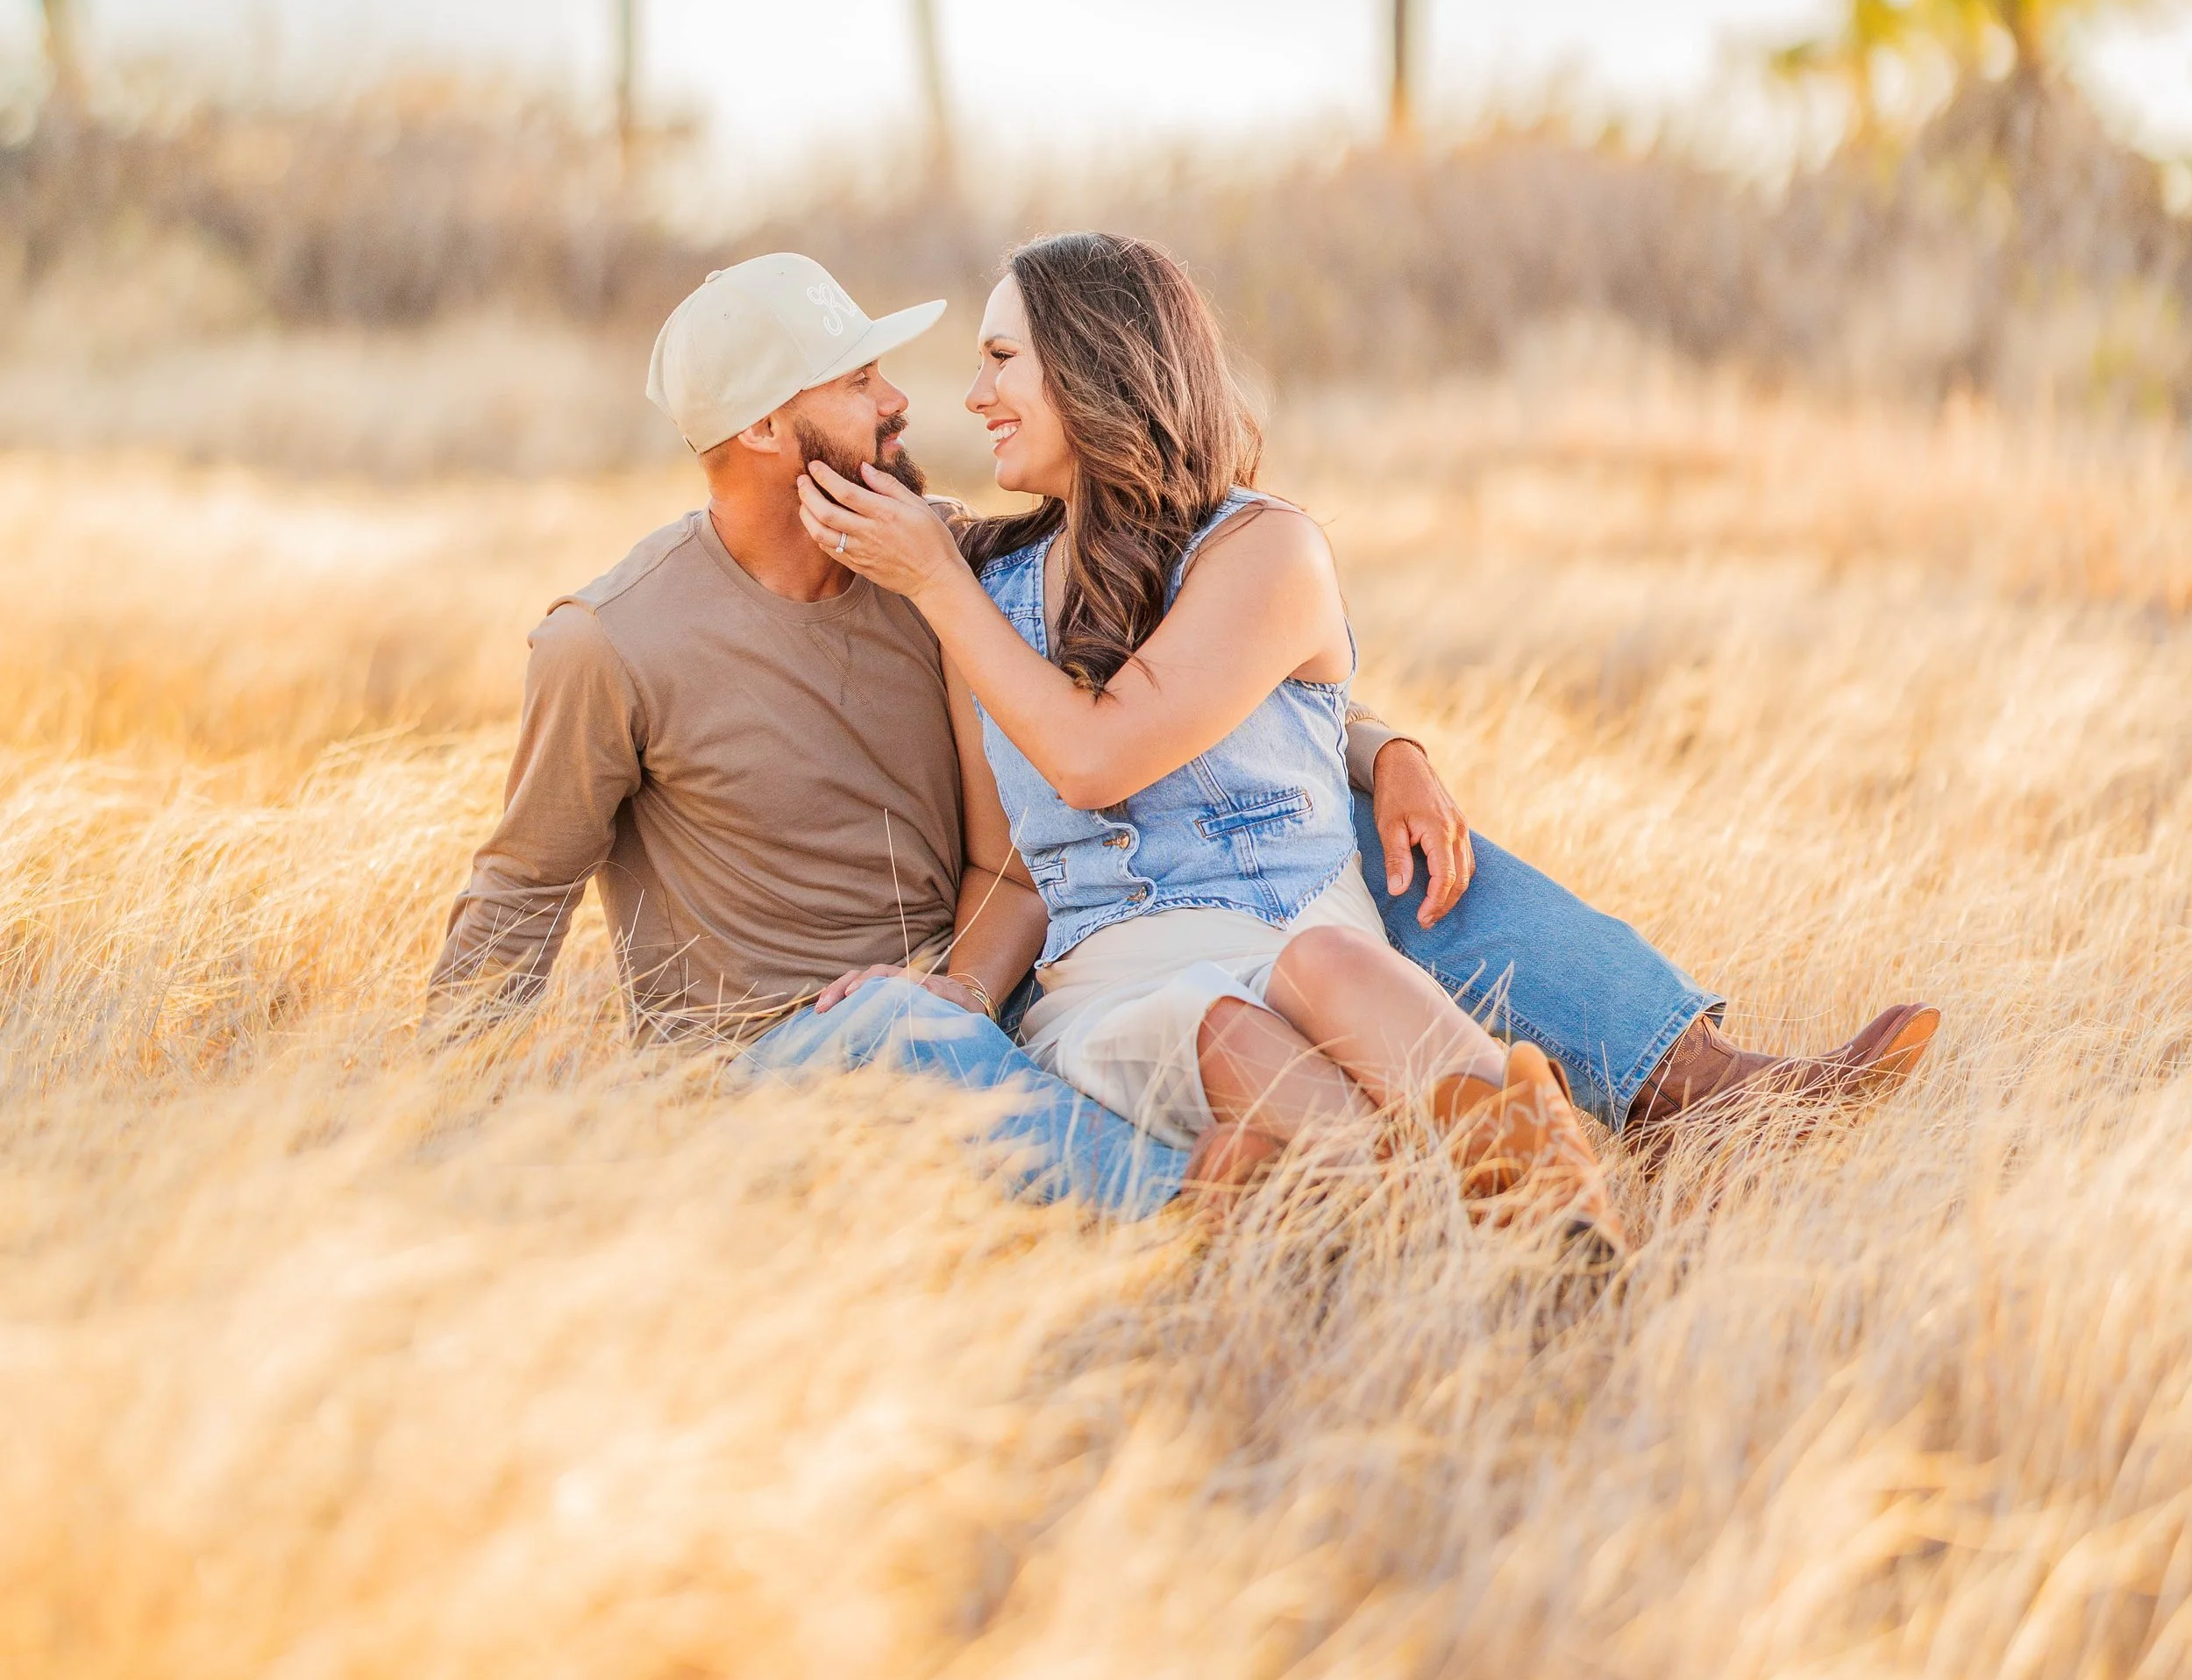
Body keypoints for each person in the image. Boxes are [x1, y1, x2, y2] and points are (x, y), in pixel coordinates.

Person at [426, 248, 1934, 1216]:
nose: (906, 402)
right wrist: (442, 1147)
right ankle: (1194, 1218)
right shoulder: (613, 639)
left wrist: (1379, 745)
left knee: (1350, 830)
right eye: (860, 381)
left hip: (990, 989)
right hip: (816, 1038)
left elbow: (1212, 708)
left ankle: (1693, 1078)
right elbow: (510, 901)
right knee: (901, 1029)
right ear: (764, 430)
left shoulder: (935, 565)